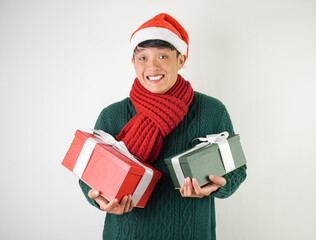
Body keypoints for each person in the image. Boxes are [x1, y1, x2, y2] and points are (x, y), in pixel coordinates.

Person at [79, 13, 247, 240]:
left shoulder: (211, 111)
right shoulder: (112, 116)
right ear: (133, 63)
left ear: (181, 60)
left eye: (162, 56)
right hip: (126, 234)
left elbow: (237, 171)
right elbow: (88, 178)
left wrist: (218, 185)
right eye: (143, 58)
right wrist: (100, 199)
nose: (152, 66)